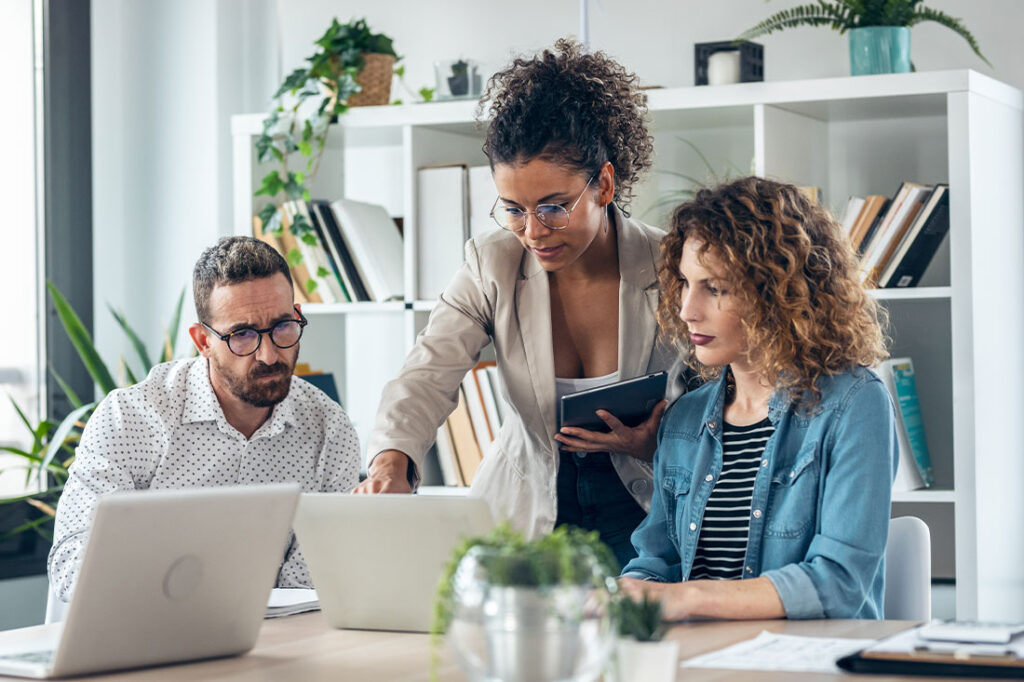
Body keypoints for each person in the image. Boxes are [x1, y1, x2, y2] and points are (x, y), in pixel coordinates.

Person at [355, 39, 683, 565]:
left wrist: (664, 442)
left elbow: (727, 400)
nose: (533, 232)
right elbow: (425, 374)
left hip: (645, 504)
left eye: (554, 207)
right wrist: (391, 462)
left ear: (603, 183)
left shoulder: (673, 265)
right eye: (512, 208)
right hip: (527, 504)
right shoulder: (492, 262)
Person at [620, 177, 898, 619]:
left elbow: (838, 582)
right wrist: (622, 594)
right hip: (706, 658)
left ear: (778, 292)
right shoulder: (685, 418)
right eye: (685, 283)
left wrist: (689, 596)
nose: (687, 309)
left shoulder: (855, 404)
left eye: (715, 288)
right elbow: (657, 560)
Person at [48, 236, 361, 602]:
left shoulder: (330, 430)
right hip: (143, 631)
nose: (269, 354)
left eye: (282, 326)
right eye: (242, 335)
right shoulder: (132, 418)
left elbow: (310, 583)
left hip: (271, 641)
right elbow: (71, 562)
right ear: (202, 341)